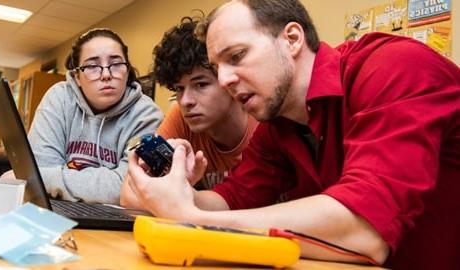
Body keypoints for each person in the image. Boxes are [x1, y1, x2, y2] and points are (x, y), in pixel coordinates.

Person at [126, 0, 460, 269]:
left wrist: (189, 216)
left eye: (237, 56)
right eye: (218, 69)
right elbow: (234, 198)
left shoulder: (393, 66)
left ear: (292, 39)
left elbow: (364, 227)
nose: (226, 79)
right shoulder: (278, 125)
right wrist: (173, 194)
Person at [119, 16, 258, 208]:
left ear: (228, 80)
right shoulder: (181, 116)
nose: (186, 101)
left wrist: (174, 197)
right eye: (179, 89)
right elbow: (128, 195)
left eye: (201, 84)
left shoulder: (262, 118)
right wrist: (178, 187)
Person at [27, 28, 162, 204]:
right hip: (53, 207)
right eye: (92, 66)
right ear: (77, 76)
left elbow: (129, 187)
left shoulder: (147, 115)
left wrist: (42, 179)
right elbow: (40, 166)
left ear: (127, 71)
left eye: (116, 64)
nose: (106, 75)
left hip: (114, 222)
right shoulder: (59, 98)